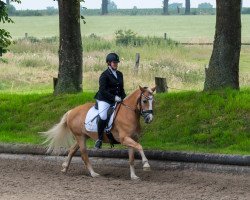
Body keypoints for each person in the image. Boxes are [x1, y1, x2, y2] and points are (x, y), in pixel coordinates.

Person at [94, 52, 126, 149]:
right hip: (104, 99)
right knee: (103, 116)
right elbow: (102, 91)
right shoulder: (104, 75)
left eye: (117, 62)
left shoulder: (120, 74)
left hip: (117, 99)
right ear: (108, 63)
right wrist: (114, 98)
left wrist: (124, 98)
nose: (116, 64)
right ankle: (99, 139)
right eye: (114, 62)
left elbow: (121, 89)